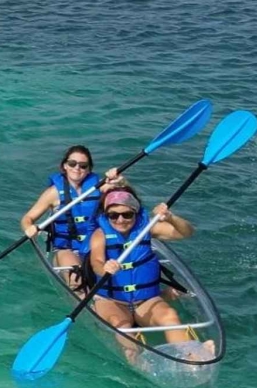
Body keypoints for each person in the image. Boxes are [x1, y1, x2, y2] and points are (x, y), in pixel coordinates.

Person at [87, 182, 202, 349]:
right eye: (113, 215)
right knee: (122, 326)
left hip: (145, 301)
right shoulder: (100, 234)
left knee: (170, 315)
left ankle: (191, 356)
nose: (120, 220)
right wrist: (105, 267)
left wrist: (171, 218)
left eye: (127, 214)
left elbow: (187, 232)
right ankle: (135, 357)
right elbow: (95, 262)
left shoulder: (148, 228)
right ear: (107, 215)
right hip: (112, 301)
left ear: (135, 213)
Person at [19, 146, 101, 290]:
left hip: (96, 244)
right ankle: (88, 307)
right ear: (64, 166)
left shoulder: (101, 188)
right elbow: (27, 218)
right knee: (77, 279)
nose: (77, 168)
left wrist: (120, 181)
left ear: (89, 169)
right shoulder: (53, 193)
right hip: (67, 247)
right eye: (72, 164)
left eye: (83, 165)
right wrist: (28, 228)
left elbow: (127, 197)